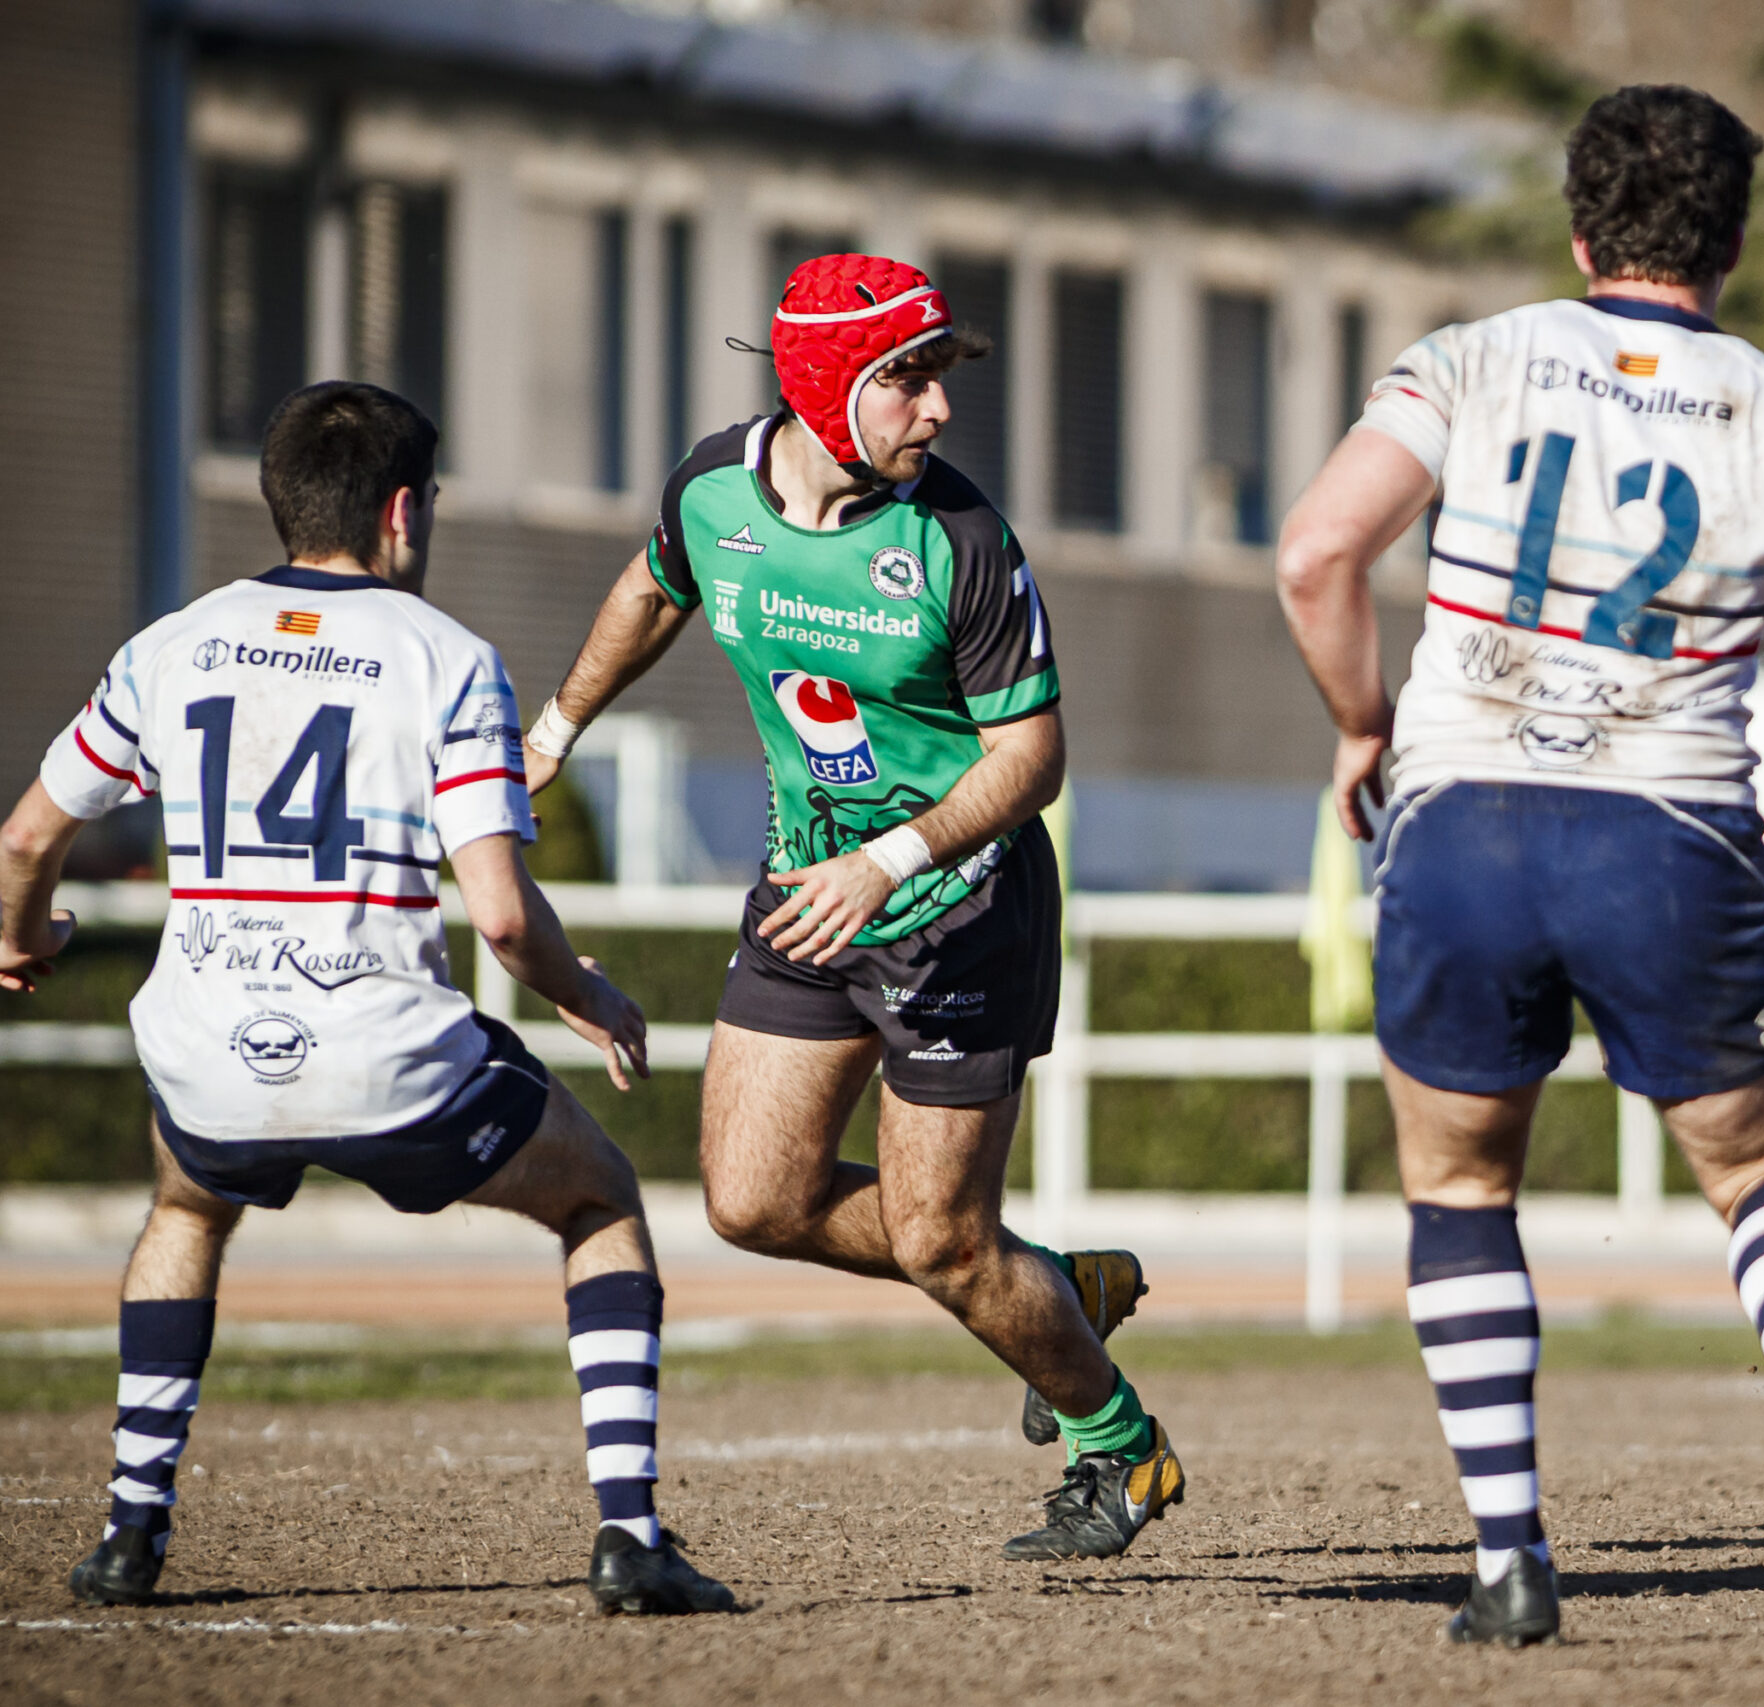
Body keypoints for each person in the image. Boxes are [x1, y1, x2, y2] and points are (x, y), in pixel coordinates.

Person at [1276, 85, 1764, 1647]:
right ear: (1733, 240)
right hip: (1669, 837)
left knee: (1460, 1185)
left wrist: (1362, 724)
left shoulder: (1467, 359)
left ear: (1579, 229)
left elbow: (1317, 553)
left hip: (1462, 823)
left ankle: (1510, 1560)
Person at [0, 382, 731, 1615]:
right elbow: (502, 915)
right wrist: (588, 997)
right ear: (401, 510)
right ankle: (630, 1534)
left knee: (185, 1208)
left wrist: (24, 940)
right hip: (388, 1057)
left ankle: (129, 1533)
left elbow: (26, 838)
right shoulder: (446, 657)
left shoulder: (170, 644)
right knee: (599, 1196)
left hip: (210, 1057)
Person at [519, 254, 1172, 1561]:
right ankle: (1059, 1283)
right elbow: (651, 587)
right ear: (825, 386)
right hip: (805, 892)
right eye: (909, 380)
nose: (940, 408)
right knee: (753, 1201)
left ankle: (1122, 1444)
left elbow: (1031, 758)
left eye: (941, 378)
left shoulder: (961, 538)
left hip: (959, 911)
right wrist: (553, 729)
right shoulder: (713, 489)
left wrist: (889, 859)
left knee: (942, 1241)